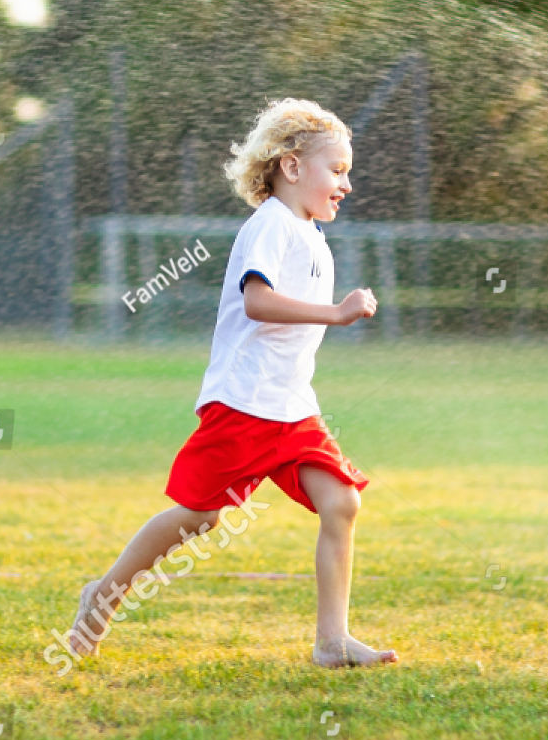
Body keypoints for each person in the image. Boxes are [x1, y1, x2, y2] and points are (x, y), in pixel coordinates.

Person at [61, 98, 396, 669]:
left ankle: (332, 641)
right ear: (291, 167)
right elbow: (258, 300)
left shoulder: (313, 236)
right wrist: (338, 314)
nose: (346, 184)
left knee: (341, 501)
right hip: (243, 403)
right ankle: (104, 594)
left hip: (292, 408)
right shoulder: (270, 224)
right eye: (337, 170)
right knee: (200, 518)